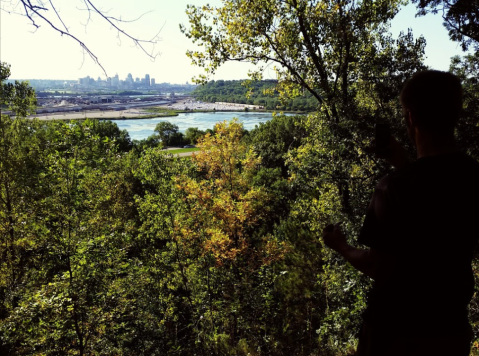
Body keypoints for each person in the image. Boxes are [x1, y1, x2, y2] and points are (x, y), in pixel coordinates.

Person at [322, 70, 479, 356]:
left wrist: (341, 246)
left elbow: (377, 266)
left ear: (409, 117)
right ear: (456, 113)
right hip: (449, 330)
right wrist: (405, 165)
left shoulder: (392, 189)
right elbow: (438, 209)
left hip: (395, 333)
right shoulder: (472, 176)